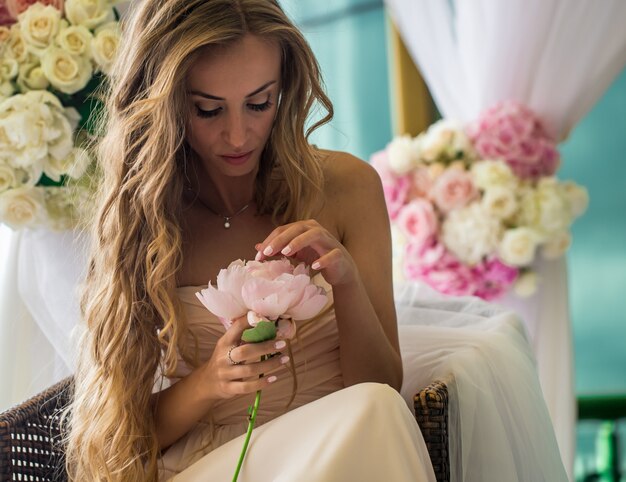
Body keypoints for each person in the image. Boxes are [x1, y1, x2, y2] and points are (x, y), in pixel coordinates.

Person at [65, 1, 568, 481]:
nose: (239, 136)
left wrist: (344, 280)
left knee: (374, 410)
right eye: (208, 111)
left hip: (349, 450)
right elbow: (123, 436)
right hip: (214, 465)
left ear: (286, 88)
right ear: (166, 104)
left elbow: (380, 386)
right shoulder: (146, 217)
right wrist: (211, 382)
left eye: (259, 103)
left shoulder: (347, 187)